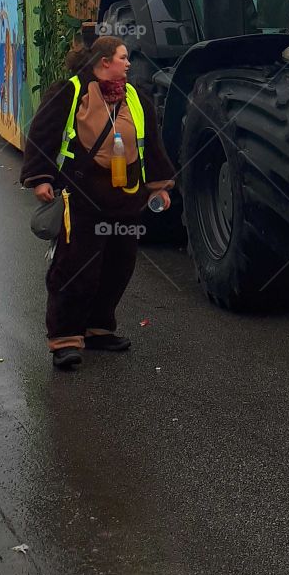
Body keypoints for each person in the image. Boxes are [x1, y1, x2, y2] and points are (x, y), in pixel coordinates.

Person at [20, 37, 174, 370]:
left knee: (118, 266)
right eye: (123, 57)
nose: (128, 63)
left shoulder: (136, 98)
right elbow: (42, 136)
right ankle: (65, 338)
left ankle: (98, 329)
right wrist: (41, 178)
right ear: (104, 62)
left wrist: (159, 187)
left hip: (126, 199)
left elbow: (153, 146)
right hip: (81, 197)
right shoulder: (70, 92)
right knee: (76, 269)